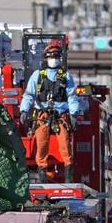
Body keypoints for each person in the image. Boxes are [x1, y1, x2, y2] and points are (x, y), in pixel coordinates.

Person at [19, 41, 82, 177]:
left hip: (61, 116)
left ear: (60, 59)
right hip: (43, 116)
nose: (53, 60)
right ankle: (42, 173)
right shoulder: (37, 76)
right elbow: (29, 95)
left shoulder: (66, 77)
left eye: (56, 57)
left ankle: (68, 174)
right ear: (46, 58)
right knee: (41, 145)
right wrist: (24, 110)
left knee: (65, 144)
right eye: (51, 57)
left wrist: (74, 114)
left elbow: (72, 96)